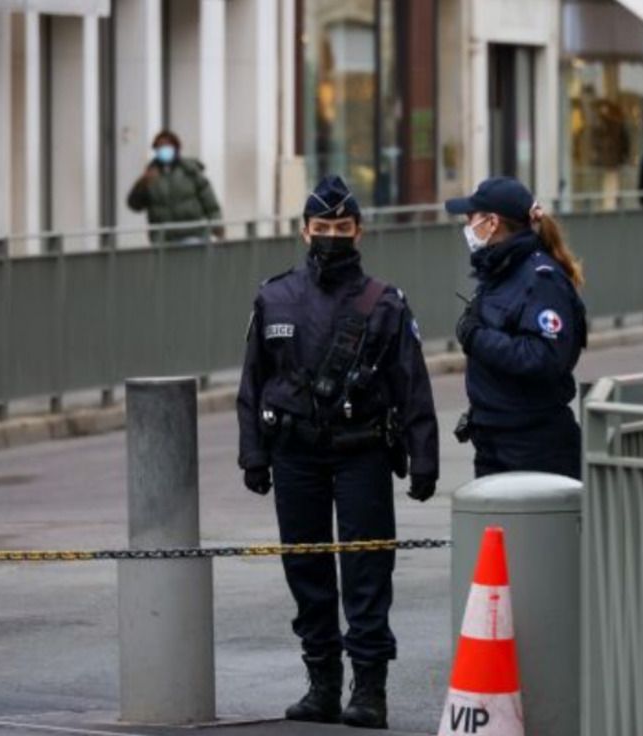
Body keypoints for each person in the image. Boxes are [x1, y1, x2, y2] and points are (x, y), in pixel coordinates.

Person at [236, 175, 438, 729]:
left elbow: (410, 383)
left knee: (367, 566)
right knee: (305, 566)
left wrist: (424, 458)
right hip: (293, 453)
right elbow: (253, 382)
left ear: (359, 232)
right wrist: (252, 452)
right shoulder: (274, 296)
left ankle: (369, 689)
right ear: (303, 231)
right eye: (321, 227)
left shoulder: (385, 303)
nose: (330, 236)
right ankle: (322, 682)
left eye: (340, 228)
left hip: (362, 452)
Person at [446, 177, 588, 479]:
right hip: (493, 438)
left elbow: (543, 356)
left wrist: (476, 337)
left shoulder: (541, 279)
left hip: (534, 445)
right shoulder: (500, 270)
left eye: (471, 218)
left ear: (492, 222)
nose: (467, 226)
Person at [126, 130, 224, 244]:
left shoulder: (190, 171)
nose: (163, 150)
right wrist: (142, 184)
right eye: (159, 147)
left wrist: (217, 227)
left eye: (167, 146)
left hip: (195, 235)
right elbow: (134, 205)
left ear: (176, 148)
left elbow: (210, 203)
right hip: (164, 240)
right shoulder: (150, 175)